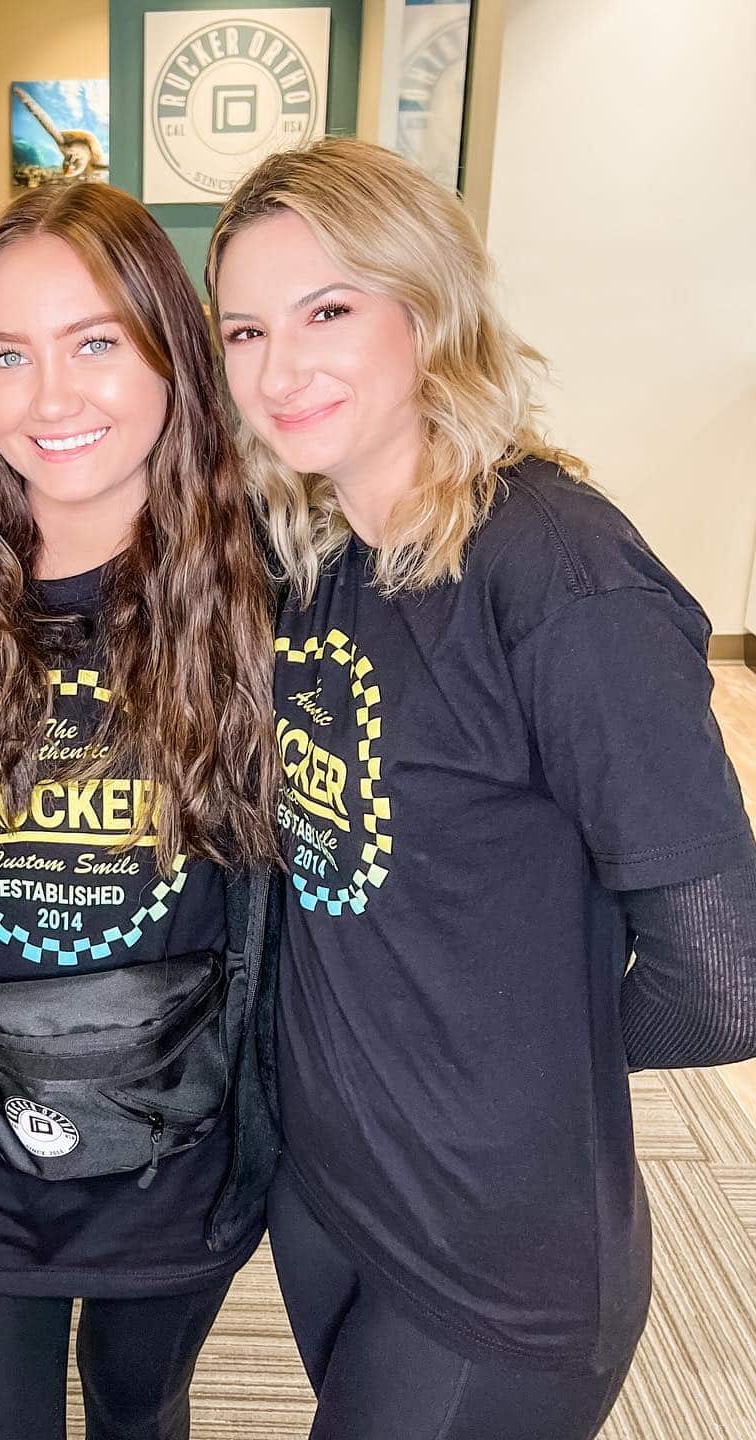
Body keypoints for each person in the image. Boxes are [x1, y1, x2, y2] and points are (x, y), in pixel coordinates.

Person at [208, 136, 756, 1439]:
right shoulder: (317, 544)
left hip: (493, 1255)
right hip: (335, 1193)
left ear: (428, 305)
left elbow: (728, 973)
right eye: (243, 331)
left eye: (328, 311)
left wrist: (525, 1045)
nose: (279, 371)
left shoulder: (557, 575)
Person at [0, 181, 285, 1440]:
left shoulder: (275, 596)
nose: (49, 399)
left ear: (176, 351)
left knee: (139, 1411)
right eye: (7, 355)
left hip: (180, 1156)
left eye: (96, 342)